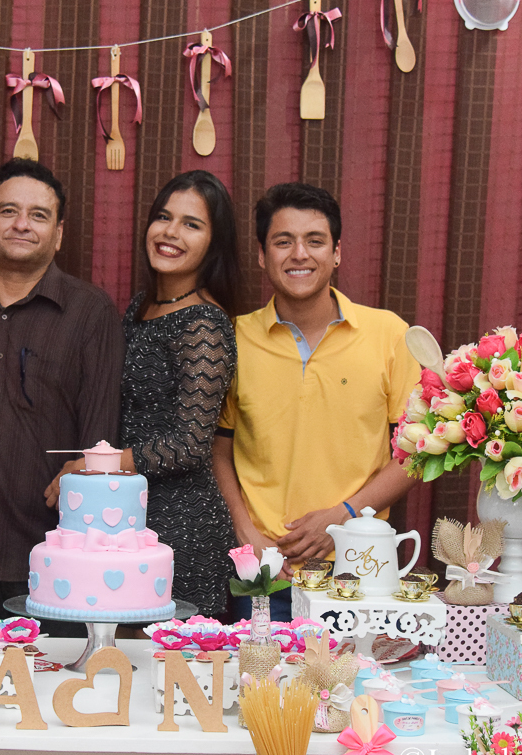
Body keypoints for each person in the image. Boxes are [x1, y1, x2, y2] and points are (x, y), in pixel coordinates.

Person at [0, 159, 124, 626]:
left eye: (39, 215)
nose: (22, 224)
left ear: (58, 233)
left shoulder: (90, 313)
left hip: (49, 563)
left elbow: (98, 446)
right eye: (8, 211)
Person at [212, 182, 421, 621]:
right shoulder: (234, 337)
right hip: (265, 567)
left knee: (352, 668)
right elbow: (219, 447)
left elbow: (417, 453)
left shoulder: (389, 335)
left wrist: (343, 517)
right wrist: (246, 532)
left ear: (337, 252)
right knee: (259, 665)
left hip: (359, 565)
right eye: (283, 241)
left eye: (315, 240)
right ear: (261, 254)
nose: (299, 254)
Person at [46, 171, 241, 617]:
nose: (171, 232)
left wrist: (94, 466)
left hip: (182, 526)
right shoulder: (139, 307)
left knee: (168, 656)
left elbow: (190, 445)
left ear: (214, 243)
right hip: (125, 516)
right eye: (163, 217)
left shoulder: (204, 326)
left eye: (192, 224)